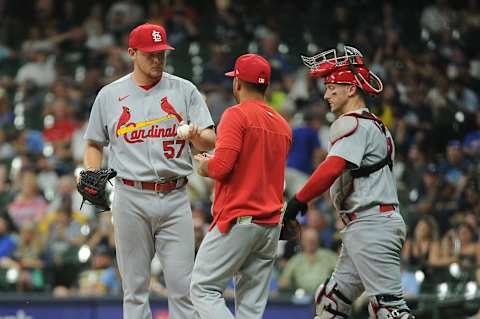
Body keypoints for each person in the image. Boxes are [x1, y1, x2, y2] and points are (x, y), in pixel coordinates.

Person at [83, 23, 216, 319]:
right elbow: (93, 142)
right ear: (132, 53)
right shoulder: (110, 95)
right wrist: (91, 172)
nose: (157, 60)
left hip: (175, 194)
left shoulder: (184, 89)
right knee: (135, 288)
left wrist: (195, 133)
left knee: (184, 286)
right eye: (150, 54)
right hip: (130, 196)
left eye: (161, 54)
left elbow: (211, 138)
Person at [284, 46, 414, 319]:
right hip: (365, 225)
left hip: (371, 225)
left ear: (351, 89)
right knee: (331, 302)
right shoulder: (375, 125)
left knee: (390, 311)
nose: (326, 94)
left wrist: (298, 200)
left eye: (332, 87)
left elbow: (331, 169)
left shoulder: (352, 123)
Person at [190, 53, 292, 319]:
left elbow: (222, 167)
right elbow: (252, 167)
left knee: (202, 288)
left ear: (237, 83)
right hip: (269, 225)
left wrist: (203, 166)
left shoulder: (236, 114)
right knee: (250, 309)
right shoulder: (283, 125)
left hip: (239, 219)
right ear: (265, 86)